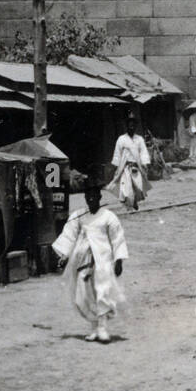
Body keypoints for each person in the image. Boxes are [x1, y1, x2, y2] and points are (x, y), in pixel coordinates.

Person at [52, 179, 128, 344]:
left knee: (103, 291)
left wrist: (119, 259)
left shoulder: (109, 217)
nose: (91, 199)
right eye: (88, 196)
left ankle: (103, 328)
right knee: (83, 295)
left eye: (94, 196)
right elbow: (69, 234)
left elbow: (117, 238)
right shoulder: (79, 216)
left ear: (99, 196)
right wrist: (63, 255)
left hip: (103, 260)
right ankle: (94, 327)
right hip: (83, 260)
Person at [110, 113, 151, 212]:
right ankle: (130, 205)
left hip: (136, 167)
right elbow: (117, 153)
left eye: (133, 124)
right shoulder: (121, 139)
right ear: (126, 125)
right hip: (125, 167)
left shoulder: (139, 139)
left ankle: (134, 202)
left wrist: (145, 163)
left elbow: (143, 152)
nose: (131, 126)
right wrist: (116, 166)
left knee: (138, 187)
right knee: (127, 189)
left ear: (136, 126)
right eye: (129, 124)